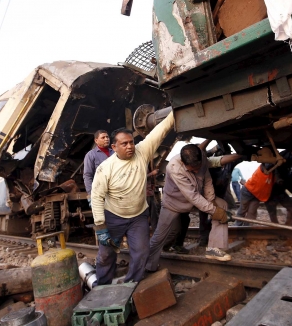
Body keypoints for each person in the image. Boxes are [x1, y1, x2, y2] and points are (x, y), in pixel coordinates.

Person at [91, 112, 175, 285]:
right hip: (114, 217)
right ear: (114, 147)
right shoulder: (105, 168)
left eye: (131, 142)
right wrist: (101, 226)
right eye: (124, 144)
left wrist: (175, 111)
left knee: (142, 252)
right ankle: (102, 287)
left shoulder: (142, 152)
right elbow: (97, 197)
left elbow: (161, 130)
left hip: (138, 216)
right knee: (106, 255)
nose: (130, 146)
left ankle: (131, 284)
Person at [145, 144, 233, 272]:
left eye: (198, 167)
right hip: (174, 204)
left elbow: (207, 179)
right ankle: (147, 266)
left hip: (196, 198)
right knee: (162, 236)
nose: (197, 171)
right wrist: (215, 211)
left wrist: (212, 201)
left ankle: (215, 249)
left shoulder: (201, 158)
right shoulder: (174, 167)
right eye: (193, 169)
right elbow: (193, 196)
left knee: (222, 205)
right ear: (183, 162)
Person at [83, 130, 113, 206]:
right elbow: (87, 175)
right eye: (103, 137)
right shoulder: (90, 155)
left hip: (115, 192)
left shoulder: (114, 153)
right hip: (100, 192)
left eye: (107, 137)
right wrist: (90, 194)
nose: (106, 139)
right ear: (96, 140)